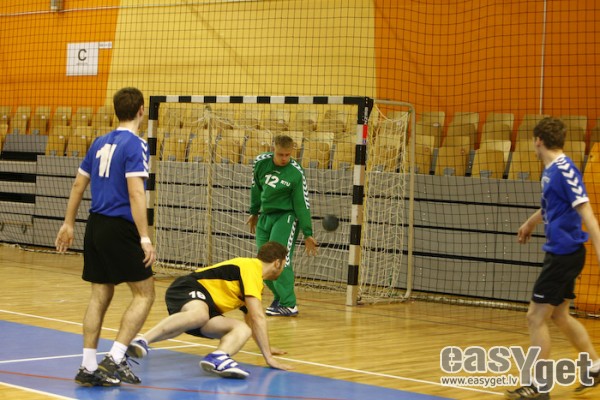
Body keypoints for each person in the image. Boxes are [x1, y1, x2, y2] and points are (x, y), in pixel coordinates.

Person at [55, 87, 156, 387]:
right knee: (145, 294)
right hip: (119, 227)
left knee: (100, 295)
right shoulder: (136, 144)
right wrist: (144, 237)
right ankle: (115, 357)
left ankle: (88, 366)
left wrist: (68, 223)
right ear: (141, 110)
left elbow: (78, 185)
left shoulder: (99, 142)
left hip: (95, 225)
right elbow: (136, 193)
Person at [505, 117, 600, 399]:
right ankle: (596, 366)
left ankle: (538, 386)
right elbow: (550, 207)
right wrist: (530, 223)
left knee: (535, 317)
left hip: (564, 255)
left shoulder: (565, 170)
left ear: (538, 141)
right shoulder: (550, 170)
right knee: (559, 315)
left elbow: (588, 214)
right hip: (561, 252)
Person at [126, 241, 293, 378]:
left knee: (243, 329)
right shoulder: (251, 267)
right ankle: (142, 340)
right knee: (199, 315)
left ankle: (219, 356)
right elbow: (258, 317)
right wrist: (268, 358)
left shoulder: (255, 283)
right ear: (277, 262)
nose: (283, 268)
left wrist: (266, 349)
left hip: (208, 308)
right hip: (189, 287)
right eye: (284, 264)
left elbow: (252, 321)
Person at [246, 134, 318, 317]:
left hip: (286, 217)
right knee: (263, 261)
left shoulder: (296, 172)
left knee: (279, 259)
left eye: (288, 155)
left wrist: (307, 232)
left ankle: (289, 304)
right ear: (273, 150)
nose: (284, 158)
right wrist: (254, 211)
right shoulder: (261, 163)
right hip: (265, 216)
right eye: (280, 155)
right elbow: (256, 189)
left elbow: (302, 203)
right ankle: (279, 297)